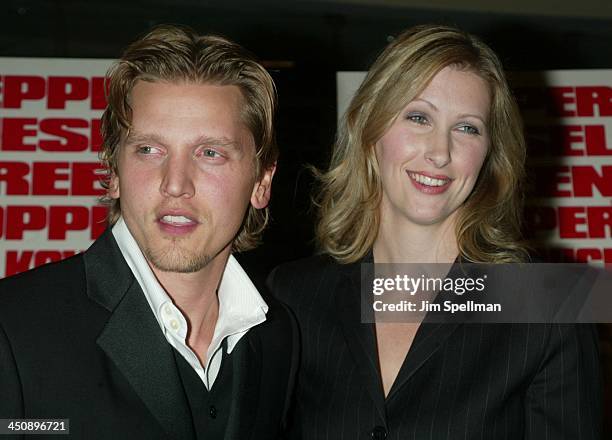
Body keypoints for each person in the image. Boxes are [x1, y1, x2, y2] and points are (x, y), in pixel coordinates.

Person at [268, 24, 601, 439]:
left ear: (490, 153)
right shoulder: (293, 296)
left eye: (467, 128)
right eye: (418, 117)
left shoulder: (550, 307)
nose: (440, 152)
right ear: (371, 131)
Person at [0, 25, 297, 439]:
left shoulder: (278, 336)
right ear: (115, 172)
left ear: (262, 183)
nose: (175, 184)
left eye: (209, 153)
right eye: (148, 150)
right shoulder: (13, 329)